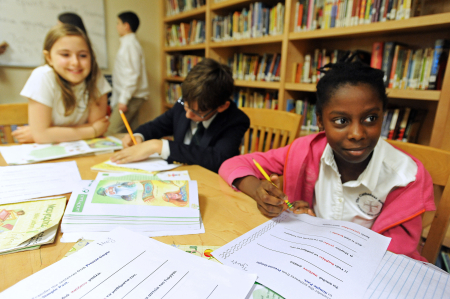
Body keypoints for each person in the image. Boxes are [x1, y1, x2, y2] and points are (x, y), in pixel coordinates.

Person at [218, 61, 435, 261]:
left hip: (364, 269)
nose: (357, 133)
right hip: (309, 258)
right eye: (341, 121)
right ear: (320, 121)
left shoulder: (407, 178)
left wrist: (316, 230)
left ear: (383, 116)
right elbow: (232, 165)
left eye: (370, 118)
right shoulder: (306, 151)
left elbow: (395, 255)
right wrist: (257, 189)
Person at [111, 58, 250, 173]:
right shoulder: (183, 105)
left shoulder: (236, 120)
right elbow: (156, 126)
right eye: (186, 105)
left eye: (197, 112)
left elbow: (217, 159)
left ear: (222, 106)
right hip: (176, 174)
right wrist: (138, 135)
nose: (188, 114)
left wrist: (158, 146)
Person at [12, 24, 111, 143]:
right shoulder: (42, 76)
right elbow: (42, 136)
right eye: (65, 54)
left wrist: (50, 133)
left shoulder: (95, 76)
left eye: (83, 55)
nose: (75, 62)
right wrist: (92, 131)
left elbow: (100, 127)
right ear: (49, 58)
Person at [106, 11, 149, 135]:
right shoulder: (127, 43)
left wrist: (123, 100)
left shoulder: (130, 45)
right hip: (130, 95)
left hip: (131, 96)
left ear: (126, 26)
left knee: (112, 130)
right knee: (131, 131)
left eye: (118, 23)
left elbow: (133, 74)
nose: (116, 26)